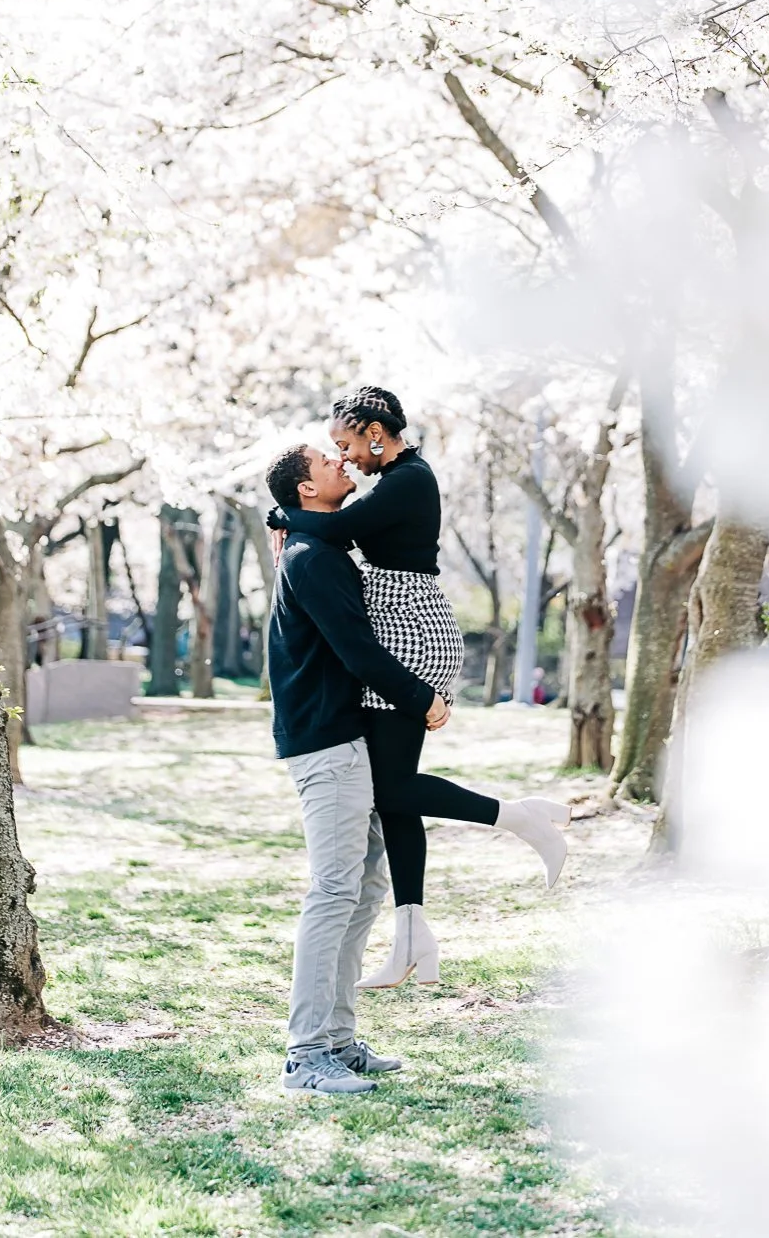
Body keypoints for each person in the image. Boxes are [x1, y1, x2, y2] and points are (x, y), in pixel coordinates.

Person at [275, 386, 566, 990]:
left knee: (391, 785)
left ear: (374, 430)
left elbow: (335, 531)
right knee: (393, 795)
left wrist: (282, 517)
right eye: (336, 450)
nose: (347, 455)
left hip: (409, 629)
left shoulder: (408, 479)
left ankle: (517, 818)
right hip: (399, 622)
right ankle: (412, 937)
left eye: (349, 442)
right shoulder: (394, 480)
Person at [263, 436, 441, 1098]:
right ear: (307, 490)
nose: (343, 462)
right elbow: (358, 650)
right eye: (328, 462)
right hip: (325, 742)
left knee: (363, 889)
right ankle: (305, 1055)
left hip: (346, 738)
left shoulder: (322, 545)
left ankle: (338, 1039)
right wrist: (423, 699)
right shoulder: (312, 558)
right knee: (334, 890)